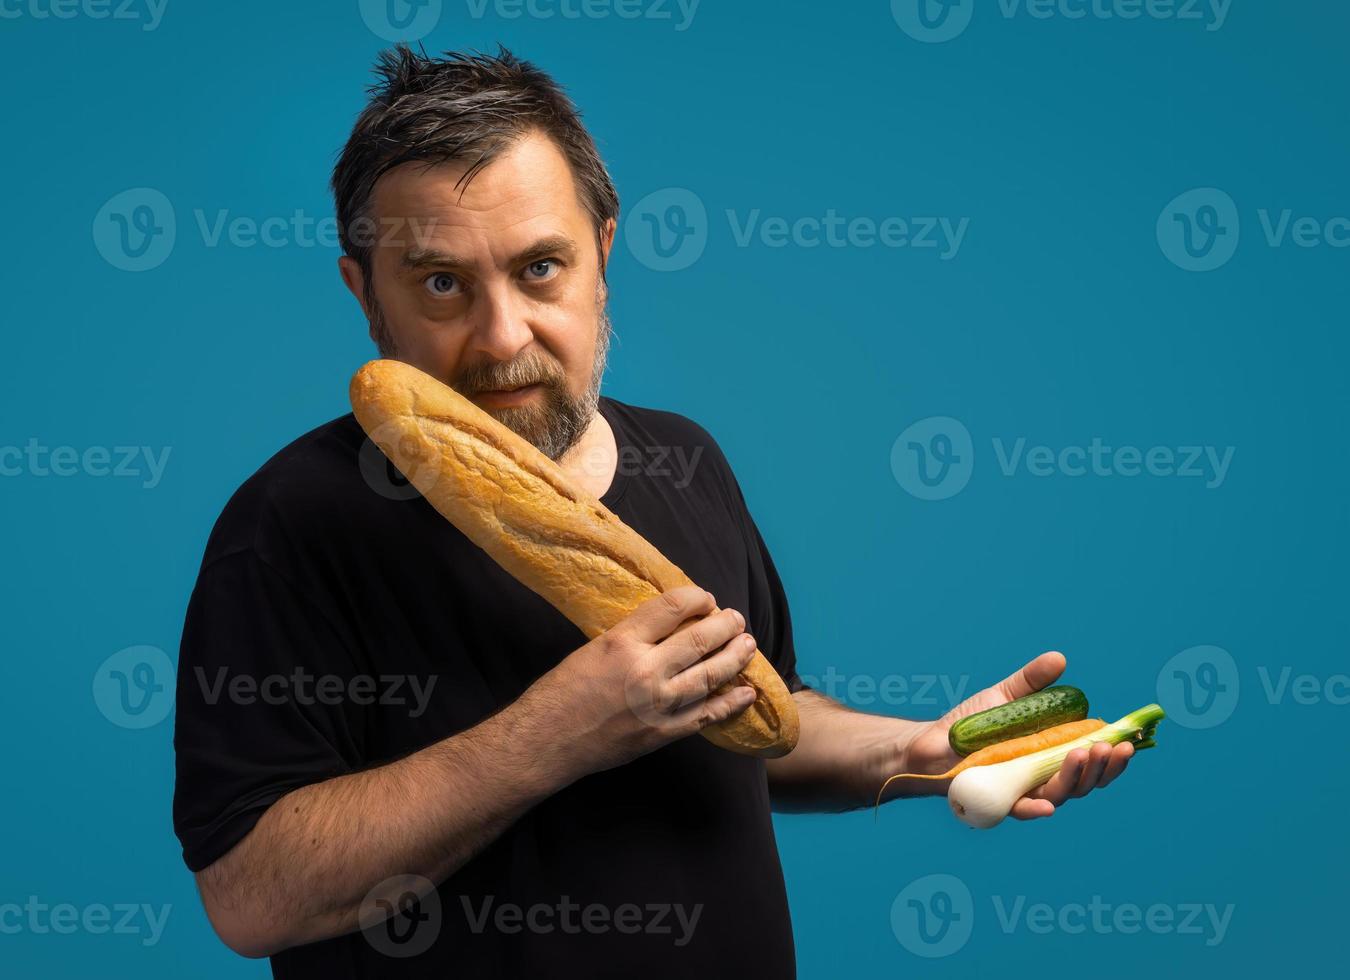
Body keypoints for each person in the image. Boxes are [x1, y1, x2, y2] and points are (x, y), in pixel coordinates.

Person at [171, 45, 1133, 980]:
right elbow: (252, 896)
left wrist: (914, 750)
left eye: (540, 268)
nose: (503, 336)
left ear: (603, 250)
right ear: (364, 292)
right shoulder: (291, 526)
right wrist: (559, 730)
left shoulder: (687, 458)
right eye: (440, 284)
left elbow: (762, 718)